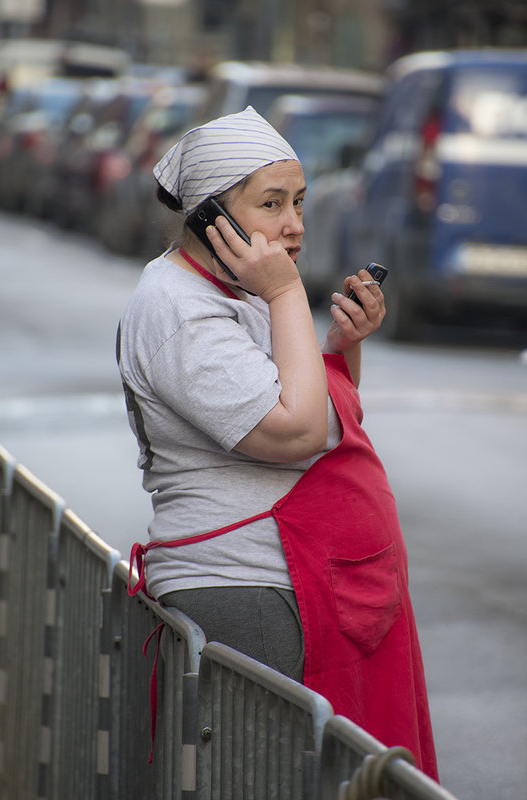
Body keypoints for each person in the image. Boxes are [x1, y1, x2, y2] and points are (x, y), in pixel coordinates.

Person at [118, 106, 438, 780]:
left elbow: (314, 412)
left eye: (299, 201)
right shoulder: (180, 308)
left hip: (292, 584)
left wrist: (340, 346)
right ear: (210, 216)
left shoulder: (239, 291)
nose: (295, 223)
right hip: (252, 591)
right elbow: (296, 431)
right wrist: (289, 293)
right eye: (271, 203)